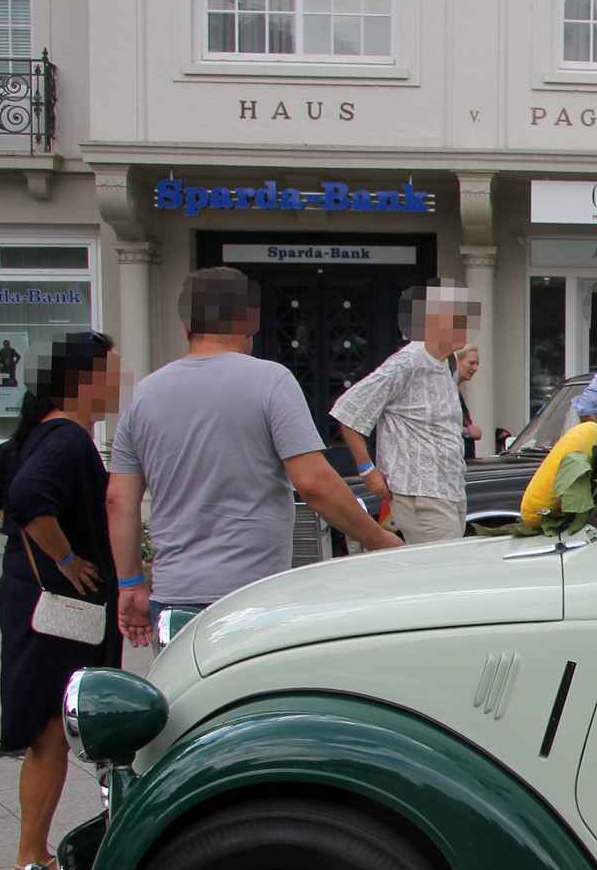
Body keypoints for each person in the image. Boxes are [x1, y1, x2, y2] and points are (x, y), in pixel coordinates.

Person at [108, 267, 400, 647]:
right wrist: (377, 540)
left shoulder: (144, 395)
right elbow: (313, 483)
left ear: (185, 324)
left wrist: (130, 584)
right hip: (252, 596)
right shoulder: (271, 381)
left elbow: (118, 500)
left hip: (174, 595)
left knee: (184, 703)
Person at [0, 332, 125, 870]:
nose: (118, 383)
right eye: (112, 372)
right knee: (48, 732)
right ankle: (30, 856)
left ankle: (32, 850)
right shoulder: (65, 438)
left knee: (50, 727)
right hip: (52, 607)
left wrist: (26, 545)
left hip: (30, 598)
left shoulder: (39, 432)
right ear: (82, 379)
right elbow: (27, 497)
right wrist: (63, 558)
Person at [334, 278, 480, 544]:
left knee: (447, 571)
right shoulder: (408, 361)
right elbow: (349, 410)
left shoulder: (447, 363)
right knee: (439, 572)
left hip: (450, 488)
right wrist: (368, 470)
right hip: (420, 491)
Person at [455, 345, 482, 460]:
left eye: (477, 364)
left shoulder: (456, 389)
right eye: (471, 363)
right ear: (456, 362)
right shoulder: (445, 391)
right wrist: (470, 432)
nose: (475, 368)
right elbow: (442, 425)